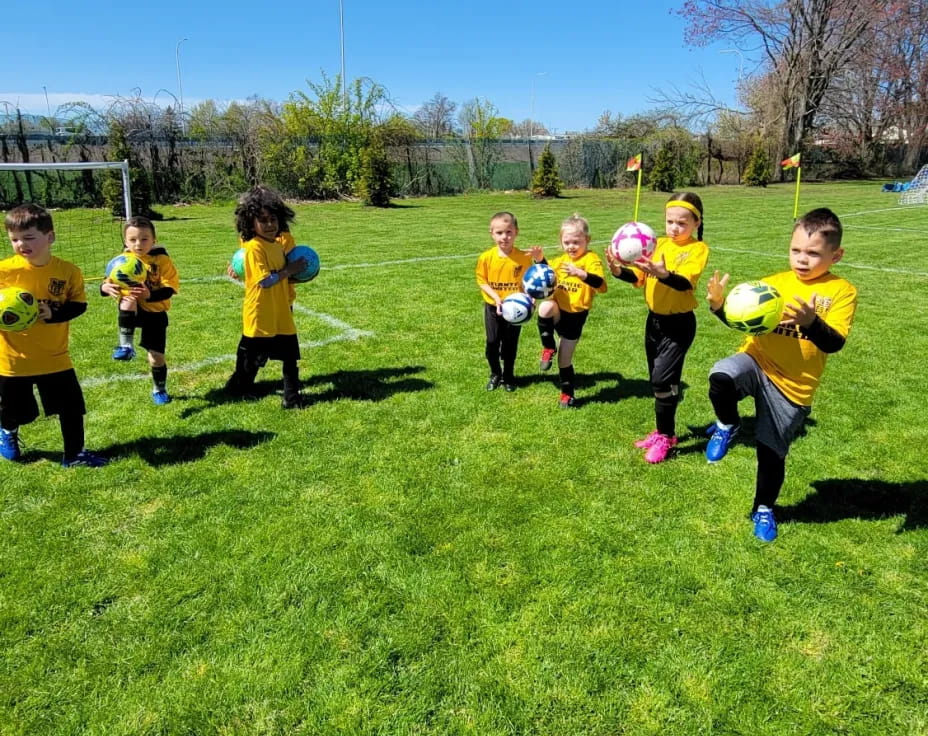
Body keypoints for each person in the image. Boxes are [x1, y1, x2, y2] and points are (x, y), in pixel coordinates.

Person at [705, 207, 857, 542]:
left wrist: (812, 322)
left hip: (794, 387)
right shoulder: (773, 284)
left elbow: (834, 343)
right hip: (756, 362)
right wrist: (719, 307)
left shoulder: (841, 292)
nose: (802, 259)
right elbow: (746, 321)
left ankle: (764, 508)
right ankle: (728, 425)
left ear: (837, 255)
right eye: (796, 250)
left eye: (813, 253)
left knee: (770, 453)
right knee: (721, 377)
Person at [0, 204, 107, 467]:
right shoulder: (3, 272)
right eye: (14, 239)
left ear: (50, 237)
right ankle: (7, 432)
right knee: (20, 413)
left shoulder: (68, 272)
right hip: (14, 359)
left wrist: (53, 313)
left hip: (55, 356)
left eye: (29, 237)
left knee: (71, 407)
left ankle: (74, 454)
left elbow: (79, 305)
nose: (21, 244)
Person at [606, 193, 709, 463]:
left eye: (681, 223)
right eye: (670, 221)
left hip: (679, 324)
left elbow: (685, 283)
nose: (674, 228)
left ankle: (665, 438)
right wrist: (619, 272)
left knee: (661, 380)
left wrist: (663, 274)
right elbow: (639, 276)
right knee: (665, 382)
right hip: (654, 322)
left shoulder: (697, 249)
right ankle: (666, 432)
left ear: (696, 223)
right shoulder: (657, 243)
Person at [224, 186, 307, 408]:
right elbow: (264, 281)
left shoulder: (277, 245)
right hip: (260, 312)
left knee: (290, 355)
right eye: (263, 220)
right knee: (253, 357)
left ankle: (291, 399)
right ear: (250, 223)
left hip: (281, 309)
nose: (270, 224)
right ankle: (241, 388)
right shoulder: (253, 248)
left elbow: (282, 277)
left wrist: (300, 273)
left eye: (273, 219)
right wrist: (289, 271)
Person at [101, 216, 180, 405]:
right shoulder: (123, 260)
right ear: (126, 242)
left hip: (155, 313)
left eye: (144, 239)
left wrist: (149, 295)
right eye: (133, 240)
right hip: (134, 308)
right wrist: (104, 288)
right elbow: (109, 280)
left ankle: (159, 389)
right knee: (128, 301)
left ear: (154, 239)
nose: (138, 244)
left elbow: (170, 289)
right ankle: (126, 346)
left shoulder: (161, 259)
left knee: (156, 357)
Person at [537, 214, 607, 408]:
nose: (571, 246)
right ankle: (548, 346)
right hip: (559, 311)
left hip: (576, 318)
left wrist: (581, 274)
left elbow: (600, 284)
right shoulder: (560, 261)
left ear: (587, 240)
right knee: (545, 306)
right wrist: (539, 260)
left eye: (576, 242)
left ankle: (567, 394)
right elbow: (545, 273)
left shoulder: (591, 259)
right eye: (566, 242)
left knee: (564, 360)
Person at [475, 211, 544, 391]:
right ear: (491, 233)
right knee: (492, 342)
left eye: (508, 232)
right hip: (493, 307)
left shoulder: (524, 257)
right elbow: (482, 281)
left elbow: (533, 281)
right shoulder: (486, 258)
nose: (504, 237)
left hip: (516, 309)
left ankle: (509, 376)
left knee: (510, 344)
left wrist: (531, 297)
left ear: (516, 232)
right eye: (499, 233)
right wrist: (497, 298)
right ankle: (495, 373)